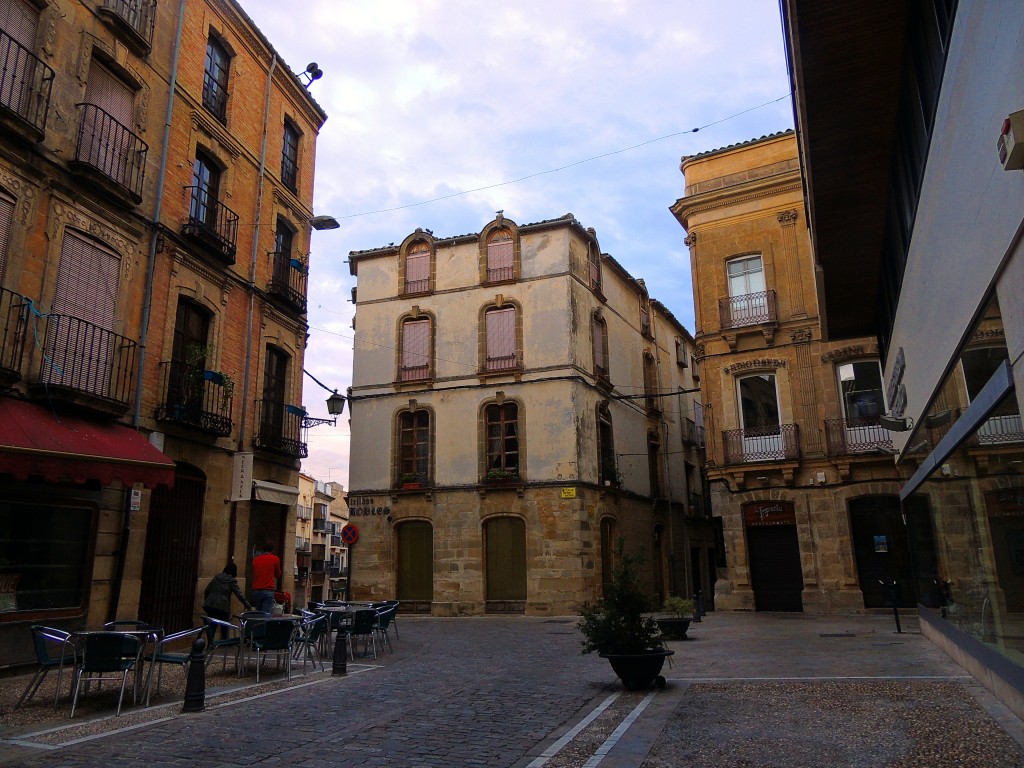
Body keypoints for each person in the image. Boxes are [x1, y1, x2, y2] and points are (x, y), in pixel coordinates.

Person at [251, 542, 282, 614]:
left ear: (263, 550)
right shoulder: (275, 559)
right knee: (265, 614)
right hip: (268, 590)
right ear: (272, 550)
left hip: (256, 590)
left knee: (258, 613)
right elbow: (278, 574)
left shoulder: (255, 560)